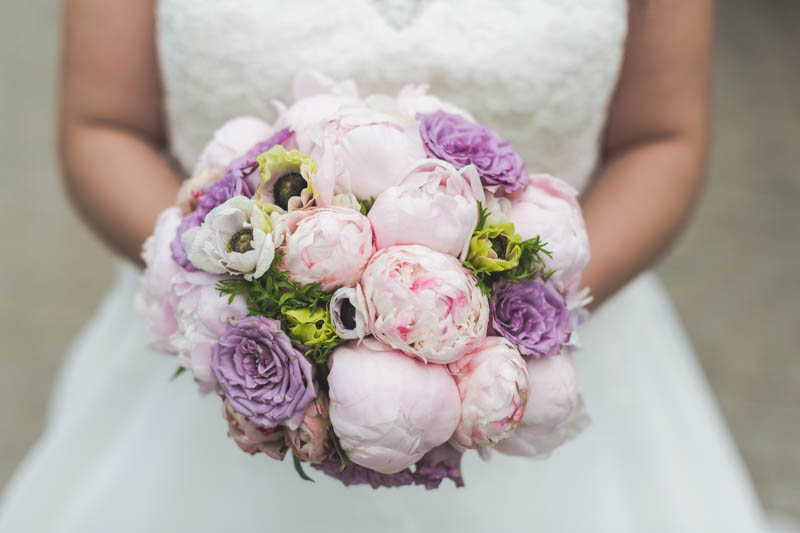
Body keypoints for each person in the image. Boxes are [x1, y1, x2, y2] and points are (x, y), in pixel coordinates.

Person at [0, 0, 770, 531]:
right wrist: (254, 308)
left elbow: (661, 137)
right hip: (213, 380)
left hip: (550, 373)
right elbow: (104, 124)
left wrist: (488, 335)